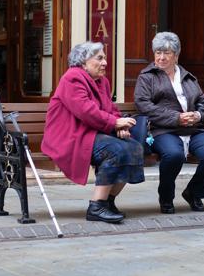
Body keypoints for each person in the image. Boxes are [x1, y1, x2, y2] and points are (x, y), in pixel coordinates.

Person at [41, 42, 145, 224]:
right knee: (115, 150)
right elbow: (85, 110)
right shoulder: (72, 78)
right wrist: (114, 123)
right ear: (83, 63)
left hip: (92, 133)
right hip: (71, 137)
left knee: (135, 147)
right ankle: (96, 207)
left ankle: (108, 203)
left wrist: (119, 126)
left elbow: (110, 107)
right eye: (99, 58)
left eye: (104, 57)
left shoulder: (101, 81)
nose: (105, 62)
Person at [134, 32, 204, 214]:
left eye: (166, 52)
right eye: (158, 52)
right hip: (163, 130)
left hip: (193, 129)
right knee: (173, 155)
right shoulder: (147, 77)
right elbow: (144, 106)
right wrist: (176, 117)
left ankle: (193, 193)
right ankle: (166, 197)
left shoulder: (188, 77)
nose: (161, 57)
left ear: (176, 55)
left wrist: (198, 115)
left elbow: (203, 103)